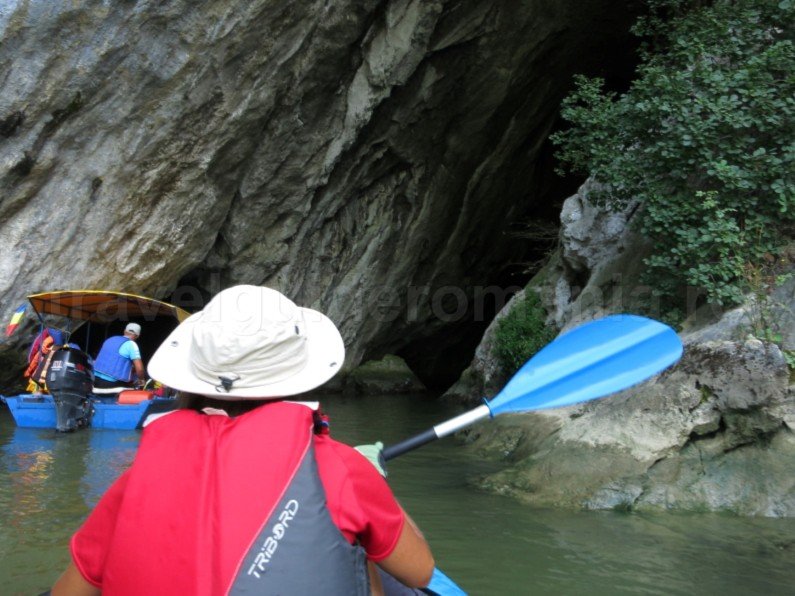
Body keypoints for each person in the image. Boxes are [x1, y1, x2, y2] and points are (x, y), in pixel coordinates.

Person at [51, 285, 434, 595]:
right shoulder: (341, 468)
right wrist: (373, 479)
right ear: (298, 375)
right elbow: (420, 573)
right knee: (368, 556)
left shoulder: (134, 481)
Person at [92, 323, 146, 389]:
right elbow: (140, 369)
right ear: (137, 336)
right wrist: (142, 381)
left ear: (124, 331)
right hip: (111, 382)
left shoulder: (110, 339)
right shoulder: (131, 344)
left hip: (94, 378)